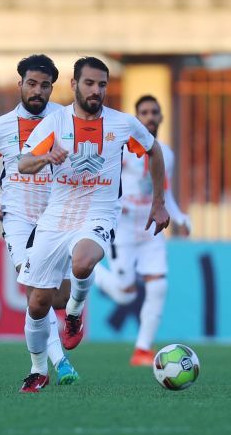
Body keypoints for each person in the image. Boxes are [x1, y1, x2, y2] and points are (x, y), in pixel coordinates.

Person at [16, 57, 170, 391]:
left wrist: (158, 202)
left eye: (102, 84)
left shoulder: (122, 123)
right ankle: (38, 370)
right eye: (89, 83)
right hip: (57, 215)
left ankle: (74, 313)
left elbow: (154, 150)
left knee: (84, 261)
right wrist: (45, 157)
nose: (96, 90)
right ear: (74, 85)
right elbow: (23, 163)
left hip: (99, 213)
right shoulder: (55, 122)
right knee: (37, 303)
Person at [0, 54, 78, 393]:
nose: (38, 91)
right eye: (32, 84)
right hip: (18, 215)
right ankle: (56, 363)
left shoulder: (66, 120)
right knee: (36, 291)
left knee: (58, 297)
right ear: (20, 83)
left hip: (57, 215)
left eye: (45, 85)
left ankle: (71, 320)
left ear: (52, 88)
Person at [96, 95, 191, 366]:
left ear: (161, 117)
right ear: (137, 118)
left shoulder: (166, 154)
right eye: (144, 112)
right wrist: (116, 204)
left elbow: (164, 192)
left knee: (159, 285)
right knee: (125, 293)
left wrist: (180, 217)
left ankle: (142, 350)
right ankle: (89, 272)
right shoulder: (123, 149)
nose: (150, 117)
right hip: (123, 229)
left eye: (154, 112)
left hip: (151, 229)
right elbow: (104, 180)